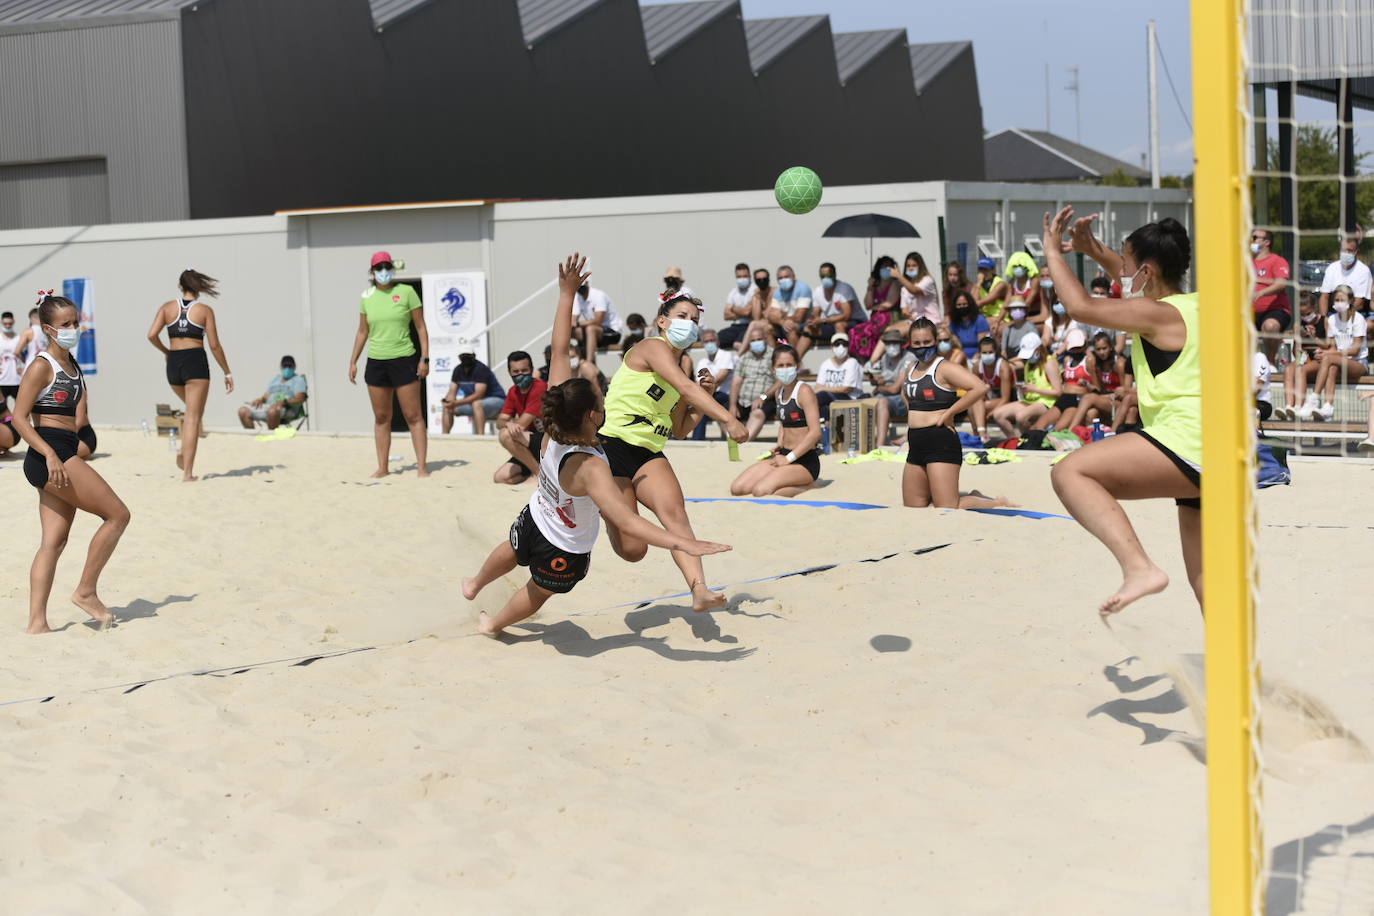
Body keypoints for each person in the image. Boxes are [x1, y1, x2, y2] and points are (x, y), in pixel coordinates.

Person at [463, 255, 729, 636]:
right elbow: (626, 519)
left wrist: (566, 294)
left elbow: (557, 351)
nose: (607, 400)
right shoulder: (593, 465)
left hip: (537, 515)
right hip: (564, 543)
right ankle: (494, 623)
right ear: (593, 417)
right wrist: (684, 543)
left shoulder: (553, 434)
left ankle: (474, 585)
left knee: (513, 547)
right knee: (541, 590)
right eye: (602, 402)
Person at [1043, 206, 1203, 615]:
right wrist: (1093, 249)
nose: (1122, 273)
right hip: (1223, 448)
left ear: (1147, 271)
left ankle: (1139, 567)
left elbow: (1079, 306)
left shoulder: (1156, 314)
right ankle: (1234, 673)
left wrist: (1054, 253)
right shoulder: (1198, 305)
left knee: (1070, 471)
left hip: (1190, 443)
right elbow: (1132, 281)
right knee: (1207, 581)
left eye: (1127, 264)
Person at [596, 284, 748, 612]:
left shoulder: (681, 369)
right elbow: (683, 387)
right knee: (633, 550)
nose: (689, 323)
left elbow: (679, 428)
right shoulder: (651, 347)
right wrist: (727, 418)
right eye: (682, 316)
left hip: (648, 451)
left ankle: (700, 590)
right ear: (662, 321)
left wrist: (701, 398)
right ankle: (610, 512)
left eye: (694, 319)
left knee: (676, 516)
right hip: (613, 445)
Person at [13, 292, 129, 633]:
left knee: (54, 542)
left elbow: (72, 416)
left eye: (76, 322)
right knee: (118, 515)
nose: (73, 328)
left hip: (61, 451)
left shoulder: (72, 364)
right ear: (48, 329)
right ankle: (86, 591)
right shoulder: (40, 365)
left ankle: (36, 623)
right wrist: (50, 454)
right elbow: (20, 418)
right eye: (66, 325)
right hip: (49, 455)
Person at [900, 319, 1007, 509]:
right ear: (910, 343)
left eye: (927, 342)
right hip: (916, 442)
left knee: (947, 506)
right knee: (913, 507)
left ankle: (997, 502)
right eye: (917, 343)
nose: (922, 346)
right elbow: (906, 393)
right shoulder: (911, 368)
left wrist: (950, 412)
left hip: (940, 440)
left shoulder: (945, 368)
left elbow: (980, 387)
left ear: (935, 341)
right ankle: (975, 496)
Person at [146, 268, 234, 482]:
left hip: (174, 363)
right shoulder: (204, 310)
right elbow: (214, 345)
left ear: (180, 286)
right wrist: (227, 371)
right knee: (194, 417)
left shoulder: (167, 307)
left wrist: (166, 351)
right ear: (198, 288)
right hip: (195, 361)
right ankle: (187, 472)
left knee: (192, 413)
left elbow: (151, 334)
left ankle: (184, 451)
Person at [348, 251, 429, 478]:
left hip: (404, 359)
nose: (383, 271)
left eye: (386, 266)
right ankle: (383, 467)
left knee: (413, 415)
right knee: (382, 417)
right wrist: (353, 360)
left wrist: (425, 357)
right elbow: (363, 331)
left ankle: (422, 467)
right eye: (378, 267)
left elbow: (421, 327)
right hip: (376, 361)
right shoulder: (366, 296)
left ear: (392, 269)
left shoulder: (406, 292)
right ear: (372, 272)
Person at [729, 346, 822, 498]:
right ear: (773, 369)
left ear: (797, 366)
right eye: (781, 365)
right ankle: (787, 479)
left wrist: (789, 458)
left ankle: (809, 486)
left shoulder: (804, 391)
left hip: (804, 461)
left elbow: (815, 433)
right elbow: (784, 423)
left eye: (789, 365)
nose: (785, 369)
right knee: (738, 488)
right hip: (782, 455)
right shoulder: (779, 392)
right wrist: (780, 443)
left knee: (761, 491)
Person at [1305, 285, 1368, 421]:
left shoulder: (1358, 319)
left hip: (1359, 363)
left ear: (1351, 300)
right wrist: (1323, 351)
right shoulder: (1332, 319)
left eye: (1342, 300)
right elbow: (1333, 348)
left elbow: (1355, 350)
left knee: (1329, 360)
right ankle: (1328, 407)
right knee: (1331, 366)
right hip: (1338, 362)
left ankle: (1314, 398)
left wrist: (1329, 354)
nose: (1339, 303)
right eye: (1336, 300)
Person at [991, 335, 1061, 438]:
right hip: (1030, 401)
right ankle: (1014, 440)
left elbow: (1058, 392)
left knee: (1021, 416)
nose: (1028, 357)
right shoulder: (1028, 363)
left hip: (1047, 402)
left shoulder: (1049, 363)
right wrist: (1024, 388)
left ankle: (1029, 439)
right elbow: (1009, 364)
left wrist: (1035, 389)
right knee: (998, 414)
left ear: (1038, 350)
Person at [494, 351, 547, 483]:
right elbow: (500, 421)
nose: (520, 374)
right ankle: (533, 471)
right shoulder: (513, 391)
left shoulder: (540, 387)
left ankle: (539, 474)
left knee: (505, 435)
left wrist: (509, 424)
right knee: (500, 478)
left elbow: (521, 424)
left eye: (524, 370)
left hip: (547, 443)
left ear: (532, 370)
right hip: (529, 443)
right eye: (515, 371)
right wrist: (508, 423)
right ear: (509, 372)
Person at [1274, 291, 1328, 420]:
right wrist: (1298, 343)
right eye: (1302, 314)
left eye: (1308, 314)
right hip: (1305, 356)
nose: (1305, 317)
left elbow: (1329, 346)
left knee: (1300, 369)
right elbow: (1296, 352)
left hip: (1320, 358)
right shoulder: (1299, 324)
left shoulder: (1325, 322)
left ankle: (1299, 405)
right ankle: (1289, 406)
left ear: (1315, 309)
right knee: (1289, 369)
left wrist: (1313, 337)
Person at [799, 262, 865, 357]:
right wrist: (813, 320)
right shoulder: (818, 291)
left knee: (839, 325)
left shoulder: (844, 289)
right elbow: (816, 314)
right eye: (822, 275)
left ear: (834, 275)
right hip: (832, 324)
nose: (825, 278)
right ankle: (794, 363)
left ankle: (842, 359)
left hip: (856, 323)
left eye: (828, 275)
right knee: (808, 329)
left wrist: (824, 320)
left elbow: (847, 315)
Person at [1067, 332, 1129, 429]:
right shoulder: (1097, 364)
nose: (1101, 352)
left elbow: (1125, 391)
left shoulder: (1119, 364)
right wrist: (1088, 383)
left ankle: (1070, 431)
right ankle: (1088, 439)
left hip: (1118, 402)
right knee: (1091, 413)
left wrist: (1109, 395)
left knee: (1088, 398)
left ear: (1111, 347)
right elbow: (1099, 389)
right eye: (1098, 349)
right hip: (1104, 399)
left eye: (1104, 348)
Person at [1250, 228, 1292, 364]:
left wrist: (1261, 293)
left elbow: (1281, 283)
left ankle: (1270, 363)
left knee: (1270, 326)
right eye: (1252, 237)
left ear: (1267, 242)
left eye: (1256, 237)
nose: (1252, 240)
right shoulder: (1245, 262)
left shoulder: (1277, 261)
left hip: (1275, 311)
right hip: (1249, 311)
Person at [441, 351, 505, 434]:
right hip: (472, 403)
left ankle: (480, 436)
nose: (466, 358)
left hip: (497, 400)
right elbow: (452, 392)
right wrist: (448, 402)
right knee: (447, 408)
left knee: (477, 404)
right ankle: (445, 436)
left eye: (468, 355)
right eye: (463, 356)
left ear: (474, 356)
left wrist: (456, 403)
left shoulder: (481, 369)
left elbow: (479, 395)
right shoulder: (458, 370)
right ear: (459, 357)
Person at [871, 327, 915, 447]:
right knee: (868, 401)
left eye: (895, 343)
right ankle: (867, 441)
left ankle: (879, 446)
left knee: (881, 401)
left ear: (901, 344)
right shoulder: (885, 358)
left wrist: (879, 388)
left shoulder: (909, 358)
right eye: (888, 343)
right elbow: (887, 380)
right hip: (889, 396)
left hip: (905, 398)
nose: (891, 346)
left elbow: (895, 388)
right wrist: (878, 381)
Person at [238, 355, 308, 429]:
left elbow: (300, 399)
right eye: (285, 366)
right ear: (280, 367)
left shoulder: (298, 380)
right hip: (268, 407)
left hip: (287, 409)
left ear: (294, 367)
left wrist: (284, 402)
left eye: (290, 366)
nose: (287, 368)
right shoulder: (276, 379)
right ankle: (252, 437)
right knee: (243, 411)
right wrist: (259, 400)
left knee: (272, 411)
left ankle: (272, 438)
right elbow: (265, 397)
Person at [732, 326, 777, 441]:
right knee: (722, 410)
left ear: (765, 339)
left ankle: (744, 443)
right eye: (753, 340)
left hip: (766, 399)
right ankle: (731, 442)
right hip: (743, 401)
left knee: (758, 413)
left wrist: (763, 397)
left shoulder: (774, 356)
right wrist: (733, 405)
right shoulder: (745, 357)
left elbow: (780, 381)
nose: (756, 342)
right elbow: (736, 382)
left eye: (759, 339)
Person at [692, 328, 735, 440]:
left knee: (704, 405)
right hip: (710, 396)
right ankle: (697, 441)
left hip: (725, 396)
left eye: (712, 340)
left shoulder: (726, 355)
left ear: (718, 342)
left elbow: (720, 378)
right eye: (706, 341)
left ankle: (697, 440)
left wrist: (706, 387)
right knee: (701, 407)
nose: (709, 344)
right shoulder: (702, 362)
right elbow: (698, 383)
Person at [969, 336, 1013, 444]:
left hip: (1007, 398)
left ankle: (981, 435)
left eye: (990, 352)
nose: (987, 355)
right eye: (984, 353)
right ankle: (979, 435)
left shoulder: (1003, 367)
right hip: (989, 398)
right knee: (972, 405)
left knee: (978, 406)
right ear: (979, 353)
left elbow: (1006, 398)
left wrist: (992, 412)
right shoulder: (977, 367)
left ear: (996, 351)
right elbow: (974, 390)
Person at [1318, 229, 1371, 315]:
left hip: (1355, 314)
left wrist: (1343, 318)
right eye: (1343, 250)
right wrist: (1323, 320)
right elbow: (1324, 297)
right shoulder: (1332, 268)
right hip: (1333, 313)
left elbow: (1359, 303)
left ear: (1356, 252)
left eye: (1349, 251)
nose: (1346, 253)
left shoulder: (1363, 271)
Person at [813, 333, 864, 413]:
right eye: (837, 344)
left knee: (822, 396)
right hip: (830, 399)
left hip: (850, 400)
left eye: (844, 344)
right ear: (832, 346)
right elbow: (818, 387)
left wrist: (824, 389)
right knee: (822, 405)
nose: (841, 347)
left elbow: (846, 389)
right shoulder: (826, 364)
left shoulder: (852, 362)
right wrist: (822, 389)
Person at [761, 265, 812, 346]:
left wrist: (782, 318)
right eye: (780, 278)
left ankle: (795, 357)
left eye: (786, 277)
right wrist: (782, 321)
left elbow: (799, 317)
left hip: (802, 326)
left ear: (793, 276)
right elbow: (771, 316)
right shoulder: (778, 292)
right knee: (767, 329)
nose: (783, 280)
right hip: (783, 327)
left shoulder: (803, 288)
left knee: (791, 329)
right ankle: (775, 355)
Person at [572, 281, 622, 363]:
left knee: (590, 329)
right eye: (577, 287)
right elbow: (572, 320)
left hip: (613, 333)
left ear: (587, 284)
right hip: (596, 334)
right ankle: (574, 359)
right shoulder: (578, 297)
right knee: (570, 331)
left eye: (581, 287)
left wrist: (577, 324)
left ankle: (589, 362)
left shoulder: (598, 295)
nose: (580, 290)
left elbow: (598, 320)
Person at [893, 251, 941, 326]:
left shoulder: (928, 280)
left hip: (930, 321)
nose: (911, 268)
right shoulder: (905, 288)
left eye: (914, 265)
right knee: (890, 331)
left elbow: (915, 290)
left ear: (920, 266)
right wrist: (906, 313)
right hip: (914, 321)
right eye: (908, 266)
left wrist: (899, 276)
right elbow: (904, 309)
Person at [718, 263, 756, 350]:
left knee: (738, 344)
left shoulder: (754, 290)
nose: (742, 279)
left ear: (750, 276)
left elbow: (748, 312)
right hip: (735, 326)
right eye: (739, 276)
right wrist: (743, 312)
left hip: (750, 326)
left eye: (745, 276)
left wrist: (733, 308)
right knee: (717, 339)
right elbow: (726, 315)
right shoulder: (733, 292)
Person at [949, 289, 990, 359]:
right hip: (961, 356)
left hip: (978, 356)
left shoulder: (979, 320)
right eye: (959, 305)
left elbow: (983, 345)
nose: (962, 307)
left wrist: (974, 359)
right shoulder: (954, 323)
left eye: (964, 304)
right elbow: (956, 345)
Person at [974, 257, 1009, 336]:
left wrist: (979, 284)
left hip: (1000, 318)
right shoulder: (978, 286)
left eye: (986, 270)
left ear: (993, 270)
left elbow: (980, 303)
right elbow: (973, 303)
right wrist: (978, 284)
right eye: (981, 270)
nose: (983, 273)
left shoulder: (1000, 284)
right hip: (986, 318)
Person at [0, 310, 23, 411]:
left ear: (13, 322)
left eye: (10, 323)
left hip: (16, 380)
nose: (8, 326)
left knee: (20, 409)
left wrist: (22, 367)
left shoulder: (19, 338)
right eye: (5, 324)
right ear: (1, 322)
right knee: (2, 410)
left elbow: (24, 356)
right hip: (1, 380)